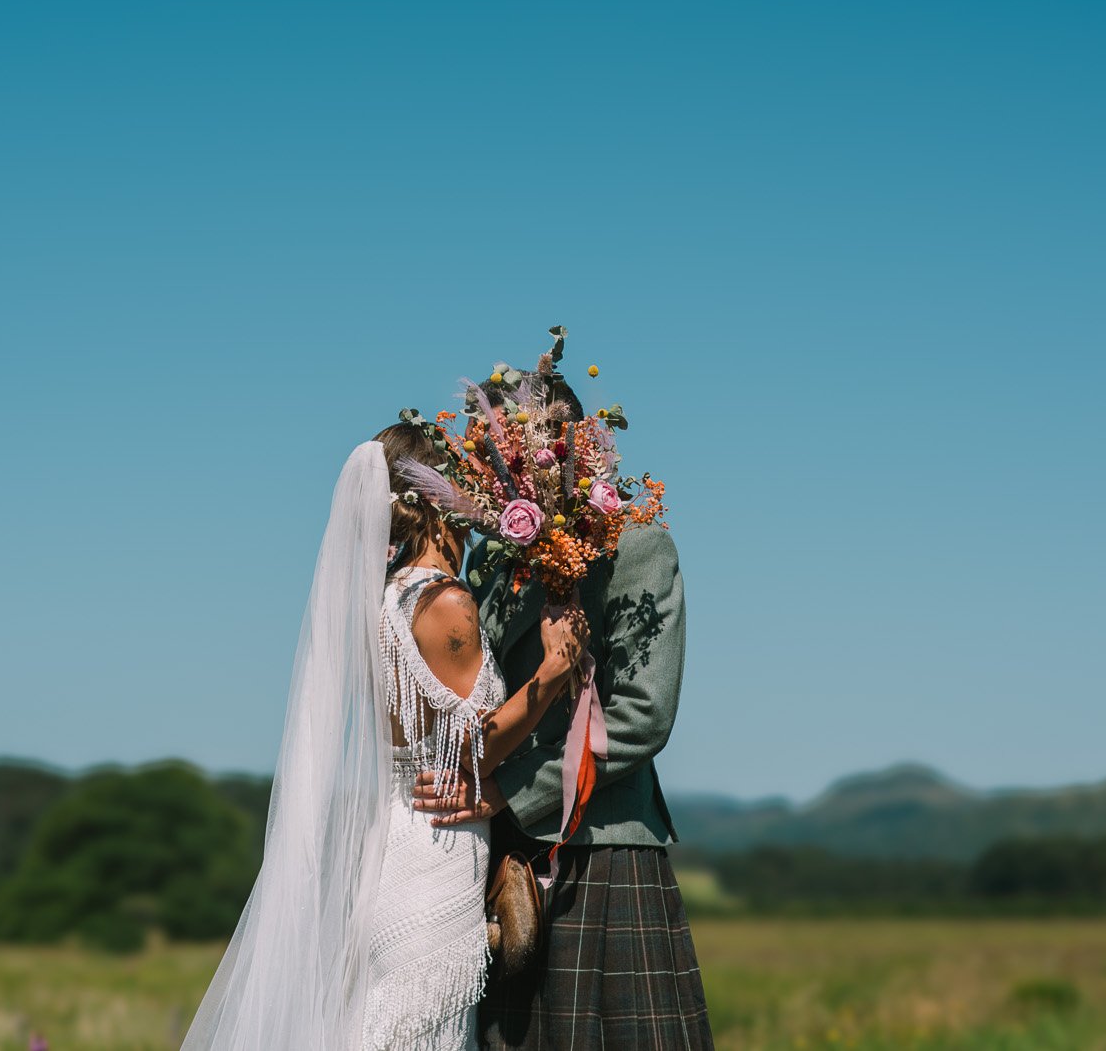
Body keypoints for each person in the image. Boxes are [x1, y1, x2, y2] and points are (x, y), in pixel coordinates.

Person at [179, 422, 585, 1051]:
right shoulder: (448, 602)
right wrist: (554, 675)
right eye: (464, 482)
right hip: (435, 848)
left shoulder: (387, 597)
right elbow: (473, 751)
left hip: (395, 837)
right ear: (434, 497)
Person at [414, 372, 715, 1051]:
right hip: (502, 858)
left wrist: (508, 790)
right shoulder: (491, 555)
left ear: (577, 442)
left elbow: (642, 715)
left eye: (524, 438)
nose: (508, 454)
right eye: (496, 442)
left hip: (604, 848)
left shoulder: (638, 548)